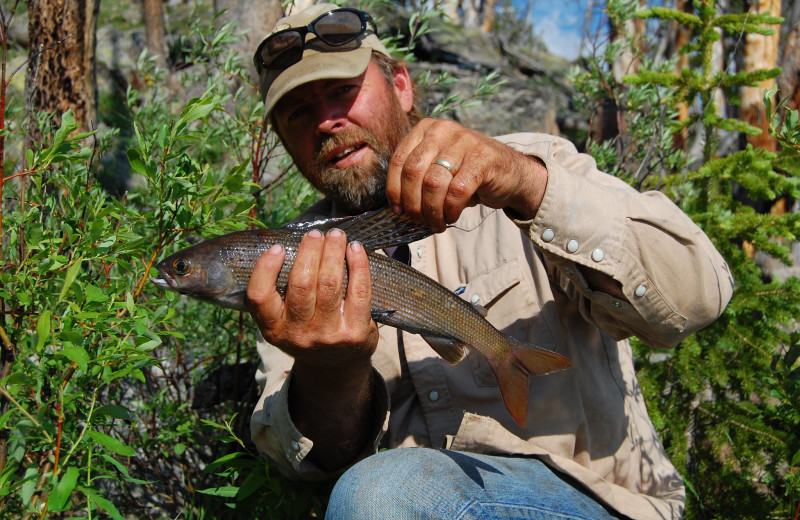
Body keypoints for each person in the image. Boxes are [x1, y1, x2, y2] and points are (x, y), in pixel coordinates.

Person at [246, 4, 733, 520]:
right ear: (283, 140)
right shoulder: (290, 263)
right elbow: (303, 463)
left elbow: (698, 298)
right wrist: (331, 371)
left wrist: (528, 185)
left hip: (601, 503)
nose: (326, 122)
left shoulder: (524, 168)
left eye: (343, 90)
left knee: (382, 495)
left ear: (402, 87)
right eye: (298, 113)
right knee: (382, 494)